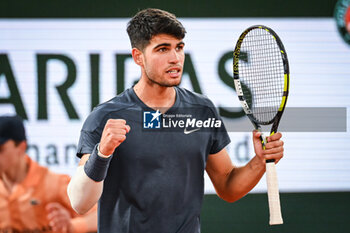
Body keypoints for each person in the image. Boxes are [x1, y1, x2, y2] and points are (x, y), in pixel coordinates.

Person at [68, 8, 284, 233]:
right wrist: (102, 153)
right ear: (138, 57)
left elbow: (228, 186)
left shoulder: (202, 111)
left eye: (179, 47)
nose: (175, 58)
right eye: (162, 49)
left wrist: (260, 161)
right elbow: (79, 203)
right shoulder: (105, 116)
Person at [0, 115, 98, 233]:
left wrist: (72, 226)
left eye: (1, 149)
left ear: (21, 147)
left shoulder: (54, 184)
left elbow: (100, 215)